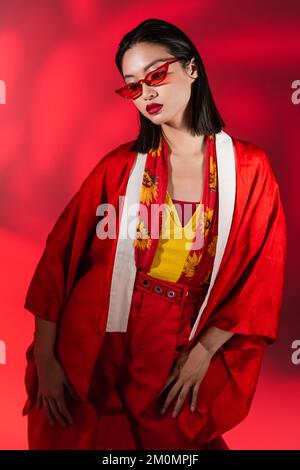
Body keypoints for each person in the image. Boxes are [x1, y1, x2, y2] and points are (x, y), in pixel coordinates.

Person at [22, 18, 287, 450]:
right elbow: (59, 260)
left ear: (193, 68)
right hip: (99, 331)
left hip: (182, 332)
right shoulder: (119, 168)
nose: (146, 93)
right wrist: (48, 359)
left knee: (174, 442)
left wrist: (202, 353)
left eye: (156, 75)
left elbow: (262, 277)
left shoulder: (250, 171)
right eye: (132, 85)